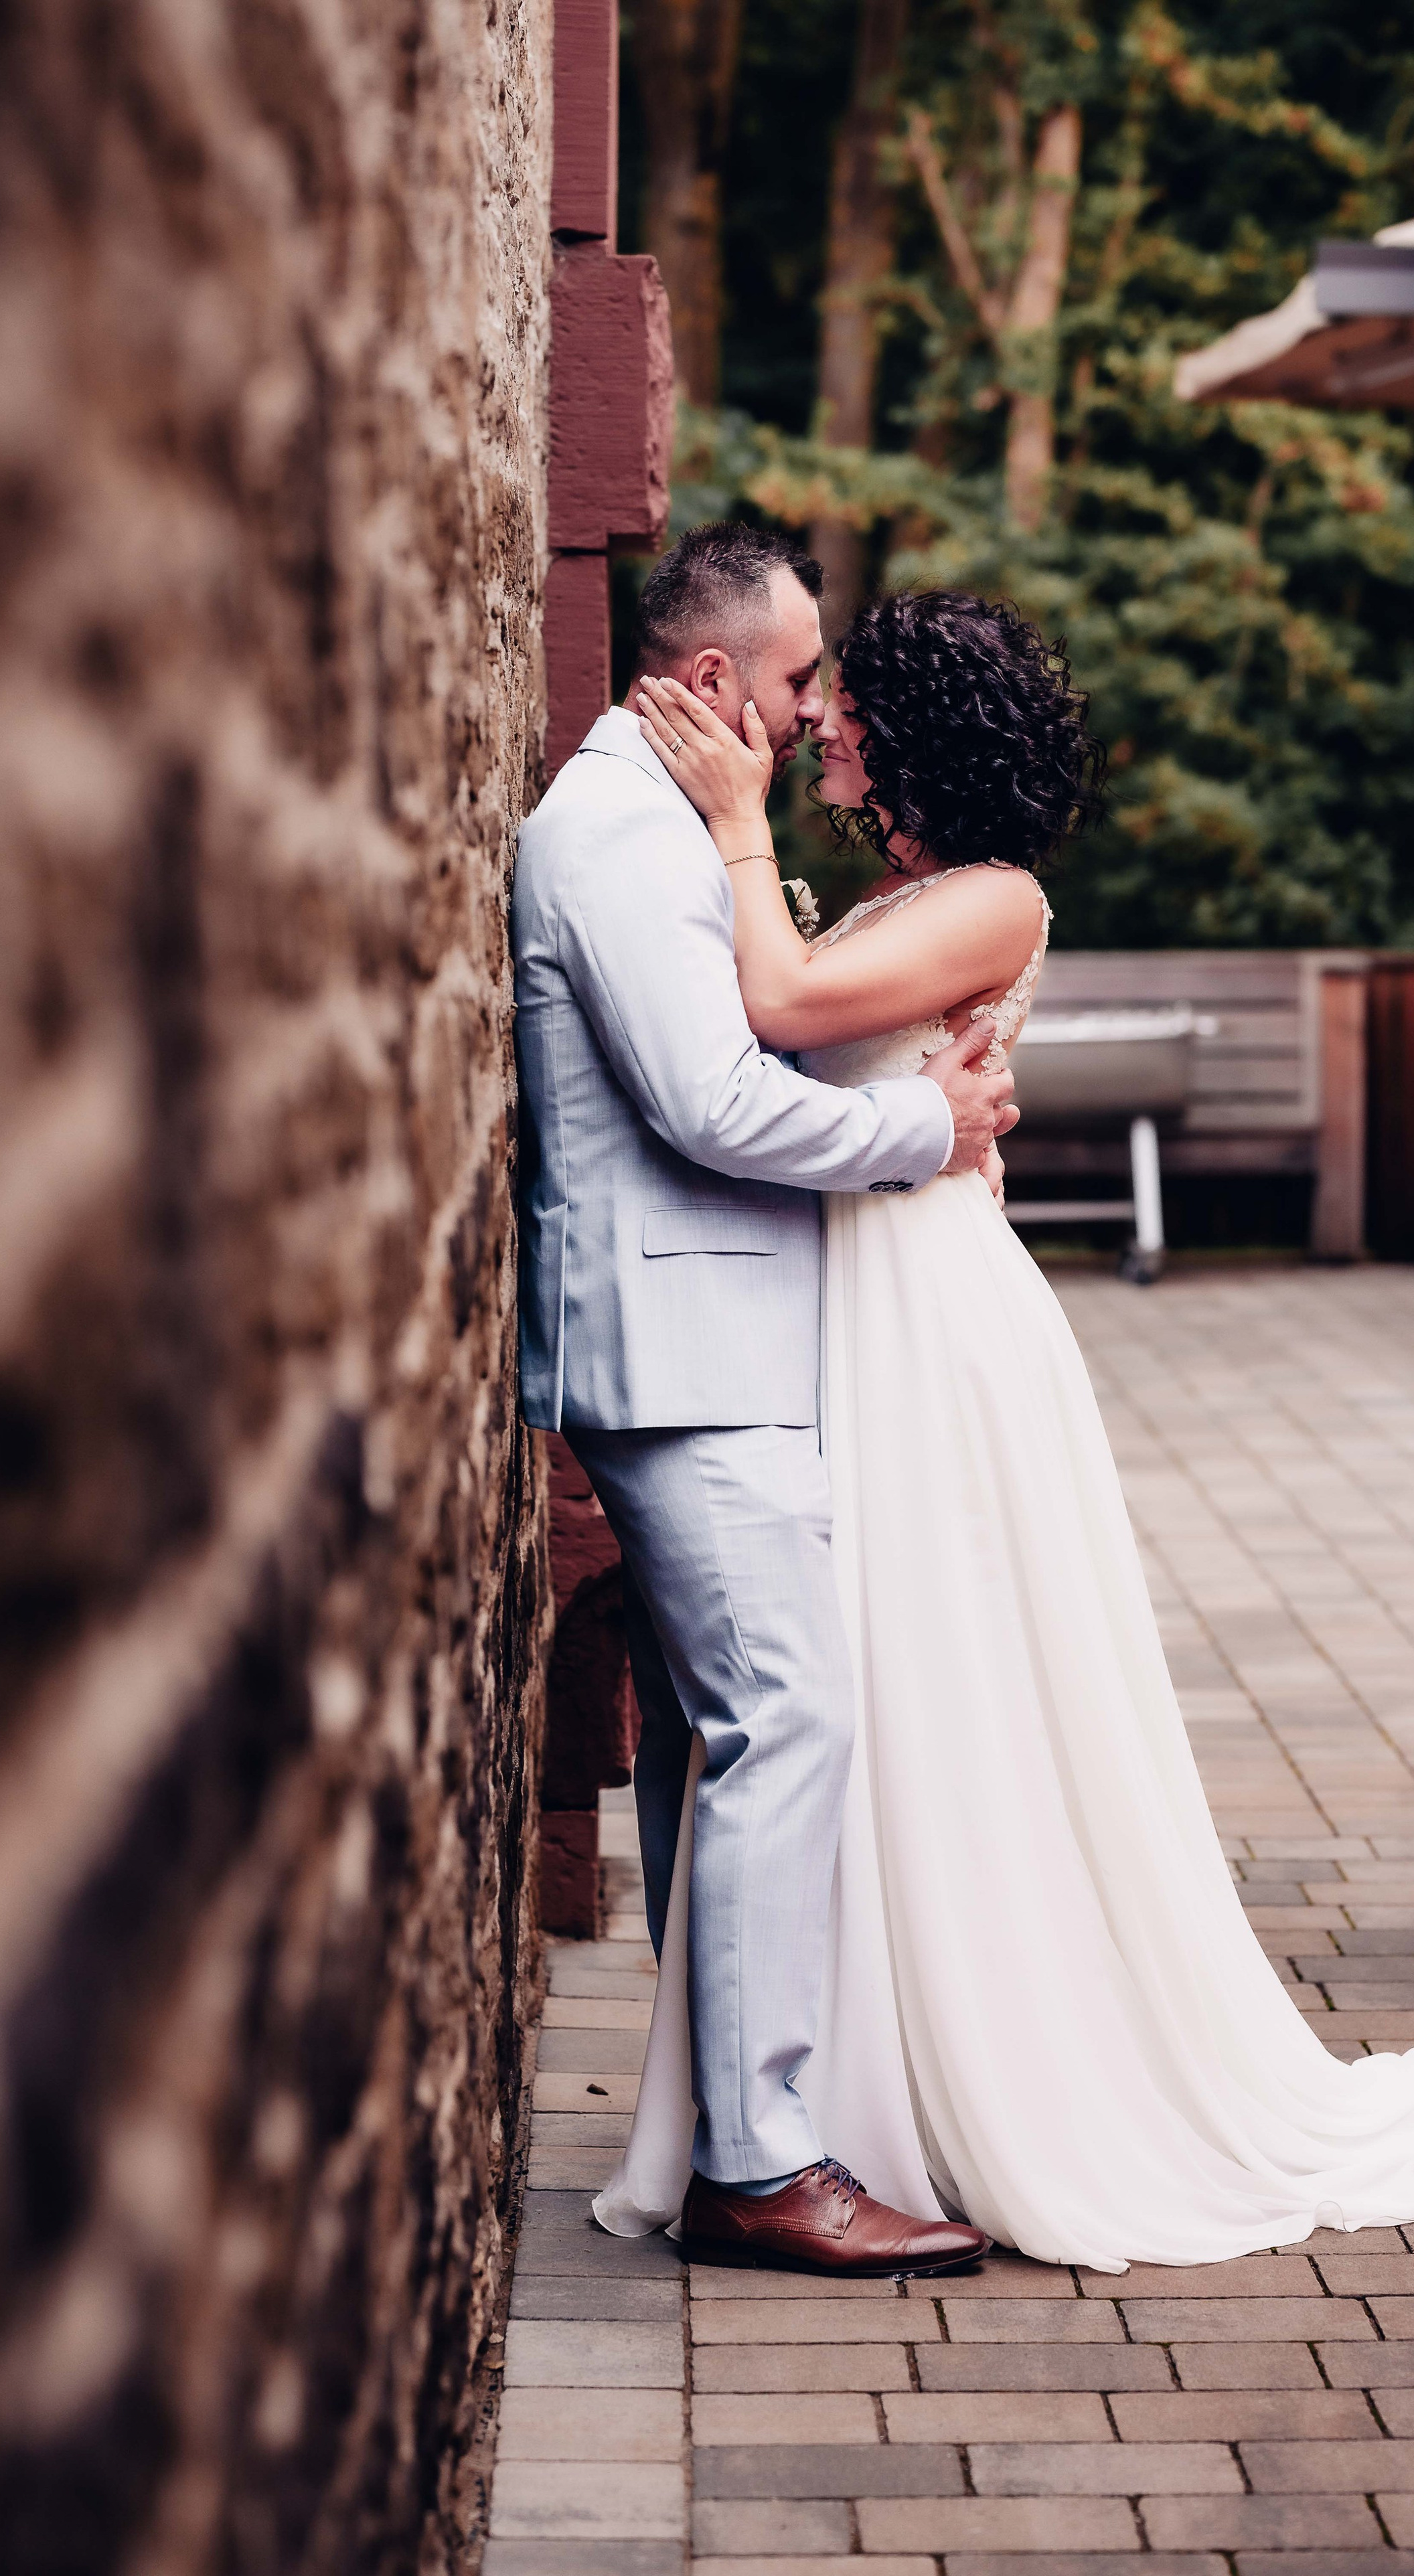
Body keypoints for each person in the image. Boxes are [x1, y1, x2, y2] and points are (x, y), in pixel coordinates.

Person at [596, 583, 1414, 2266]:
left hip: (931, 1330)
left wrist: (724, 822)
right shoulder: (903, 890)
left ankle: (931, 2087)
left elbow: (780, 1012)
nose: (826, 728)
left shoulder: (991, 899)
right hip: (859, 1305)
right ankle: (839, 2088)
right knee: (854, 1687)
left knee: (930, 1682)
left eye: (852, 705)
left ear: (918, 734)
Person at [511, 525, 1009, 2277]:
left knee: (724, 1742)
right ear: (714, 678)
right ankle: (764, 2161)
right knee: (787, 1722)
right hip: (685, 1362)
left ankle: (723, 2119)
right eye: (798, 682)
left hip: (714, 1350)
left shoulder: (662, 827)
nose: (811, 717)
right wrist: (918, 1133)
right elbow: (713, 1109)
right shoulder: (618, 836)